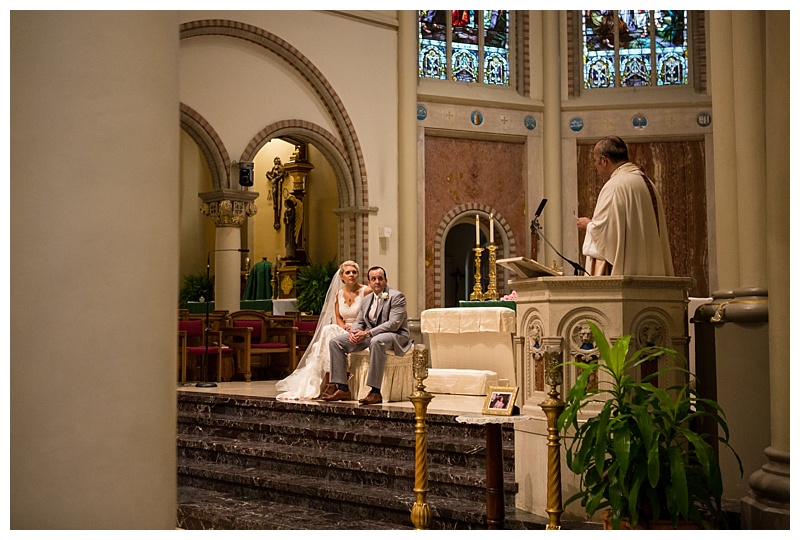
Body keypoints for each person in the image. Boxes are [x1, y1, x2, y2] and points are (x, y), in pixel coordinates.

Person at [576, 136, 674, 276]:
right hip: (650, 275)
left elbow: (606, 238)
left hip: (626, 280)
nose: (596, 168)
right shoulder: (645, 181)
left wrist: (589, 226)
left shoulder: (615, 186)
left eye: (595, 162)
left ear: (604, 160)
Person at [275, 261, 368, 401]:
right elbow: (338, 317)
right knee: (328, 330)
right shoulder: (338, 294)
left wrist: (356, 327)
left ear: (358, 275)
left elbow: (369, 315)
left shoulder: (366, 291)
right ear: (342, 276)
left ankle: (333, 383)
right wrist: (344, 327)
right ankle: (334, 382)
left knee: (325, 336)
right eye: (348, 272)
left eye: (354, 272)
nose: (351, 275)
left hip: (360, 330)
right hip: (343, 329)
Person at [323, 266, 412, 405]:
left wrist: (368, 333)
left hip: (396, 335)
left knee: (376, 341)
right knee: (336, 342)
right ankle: (343, 388)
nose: (377, 282)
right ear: (369, 282)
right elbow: (359, 320)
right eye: (373, 279)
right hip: (371, 334)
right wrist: (354, 333)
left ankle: (375, 392)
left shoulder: (396, 297)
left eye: (380, 278)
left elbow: (394, 324)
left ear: (386, 280)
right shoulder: (366, 299)